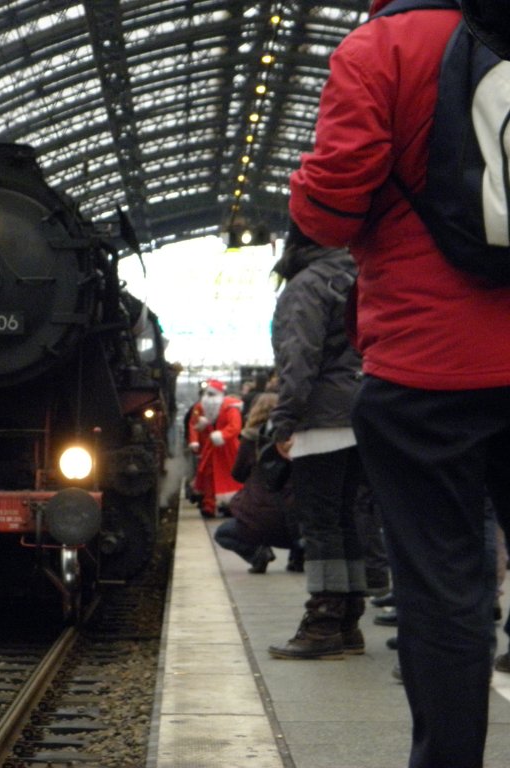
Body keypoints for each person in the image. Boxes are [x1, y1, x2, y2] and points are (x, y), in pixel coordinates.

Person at [287, 1, 510, 764]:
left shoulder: (382, 47)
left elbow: (329, 206)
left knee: (444, 592)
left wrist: (302, 188)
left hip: (429, 370)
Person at [264, 235, 365, 661]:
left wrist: (284, 420)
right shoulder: (358, 274)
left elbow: (299, 357)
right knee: (346, 519)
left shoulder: (307, 285)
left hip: (320, 416)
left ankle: (323, 621)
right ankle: (348, 622)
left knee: (321, 526)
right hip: (361, 413)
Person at [213, 392, 303, 573]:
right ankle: (298, 557)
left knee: (222, 533)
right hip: (296, 522)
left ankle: (257, 554)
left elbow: (238, 474)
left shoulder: (250, 438)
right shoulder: (297, 437)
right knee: (295, 515)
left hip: (257, 521)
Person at [187, 379, 244, 518]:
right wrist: (195, 439)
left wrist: (221, 435)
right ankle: (209, 505)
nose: (208, 397)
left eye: (211, 394)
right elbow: (193, 424)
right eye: (207, 394)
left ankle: (231, 505)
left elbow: (235, 427)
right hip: (211, 447)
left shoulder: (231, 407)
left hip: (228, 448)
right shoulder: (204, 408)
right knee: (208, 475)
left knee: (231, 476)